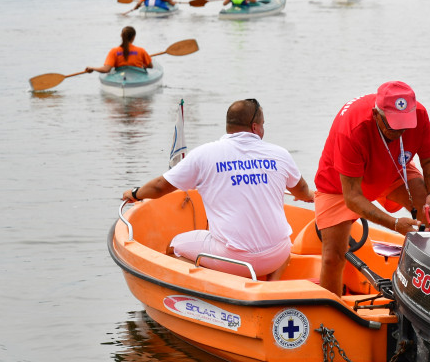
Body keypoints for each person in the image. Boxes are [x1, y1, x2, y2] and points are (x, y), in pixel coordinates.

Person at [122, 99, 314, 280]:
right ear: (255, 127)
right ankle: (268, 288)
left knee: (174, 246)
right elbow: (303, 190)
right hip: (276, 256)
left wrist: (135, 193)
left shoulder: (204, 154)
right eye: (263, 124)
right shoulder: (280, 154)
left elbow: (159, 187)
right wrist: (309, 197)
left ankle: (212, 288)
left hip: (234, 259)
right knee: (284, 244)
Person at [313, 81, 430, 296]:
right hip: (341, 184)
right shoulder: (353, 128)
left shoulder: (419, 114)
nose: (400, 131)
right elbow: (353, 197)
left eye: (405, 125)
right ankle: (331, 310)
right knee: (332, 256)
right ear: (376, 114)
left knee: (426, 206)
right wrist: (394, 224)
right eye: (393, 126)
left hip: (393, 168)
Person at [85, 26, 152, 74]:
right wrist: (143, 65)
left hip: (120, 77)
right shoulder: (141, 51)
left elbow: (106, 69)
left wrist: (93, 68)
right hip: (137, 77)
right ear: (133, 37)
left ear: (121, 35)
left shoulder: (114, 51)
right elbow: (150, 66)